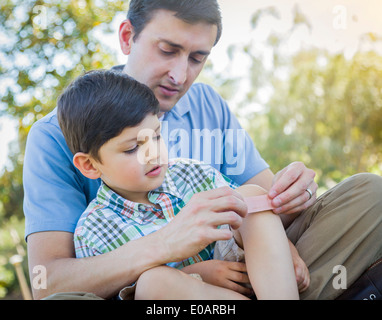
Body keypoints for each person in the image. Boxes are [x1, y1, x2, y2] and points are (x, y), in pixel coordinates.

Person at [23, 0, 382, 300]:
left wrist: (290, 198)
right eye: (168, 50)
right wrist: (169, 246)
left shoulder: (207, 103)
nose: (180, 75)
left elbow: (263, 207)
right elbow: (47, 283)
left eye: (197, 58)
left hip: (253, 272)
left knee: (370, 193)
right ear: (127, 37)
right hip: (160, 292)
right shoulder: (54, 136)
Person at [57, 69, 300, 299]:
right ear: (90, 165)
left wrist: (283, 247)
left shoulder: (189, 172)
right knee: (154, 283)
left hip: (249, 273)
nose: (153, 153)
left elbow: (251, 222)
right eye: (133, 148)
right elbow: (125, 293)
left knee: (250, 197)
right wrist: (197, 276)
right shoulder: (93, 231)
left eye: (156, 136)